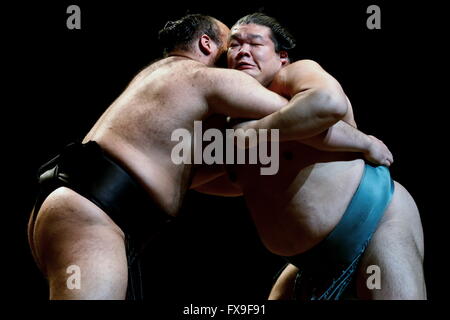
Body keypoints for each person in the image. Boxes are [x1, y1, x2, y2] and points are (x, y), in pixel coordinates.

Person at [27, 13, 297, 300]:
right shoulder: (204, 77)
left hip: (77, 207)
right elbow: (297, 112)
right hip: (92, 213)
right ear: (207, 44)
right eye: (230, 45)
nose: (235, 56)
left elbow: (200, 172)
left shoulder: (160, 77)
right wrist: (297, 75)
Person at [197, 13, 426, 299]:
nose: (243, 51)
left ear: (282, 57)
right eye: (234, 45)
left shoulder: (293, 75)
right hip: (308, 262)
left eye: (255, 43)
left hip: (378, 222)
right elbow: (212, 178)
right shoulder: (229, 117)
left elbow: (327, 103)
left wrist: (253, 132)